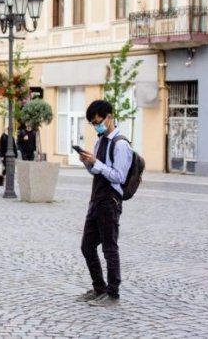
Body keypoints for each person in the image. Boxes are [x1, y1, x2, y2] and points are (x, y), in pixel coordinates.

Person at [76, 100, 132, 308]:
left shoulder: (121, 144)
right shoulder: (100, 142)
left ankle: (112, 293)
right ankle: (99, 287)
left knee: (109, 248)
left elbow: (119, 176)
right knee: (87, 246)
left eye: (98, 121)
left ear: (109, 117)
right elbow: (97, 171)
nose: (96, 126)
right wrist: (88, 164)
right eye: (93, 123)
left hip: (110, 201)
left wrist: (97, 164)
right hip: (96, 199)